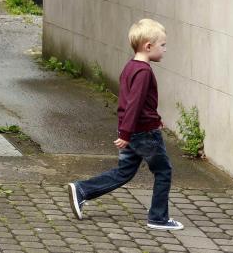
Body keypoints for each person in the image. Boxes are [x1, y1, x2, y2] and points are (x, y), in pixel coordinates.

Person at [66, 18, 183, 230]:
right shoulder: (144, 72)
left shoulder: (131, 67)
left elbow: (133, 102)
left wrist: (151, 120)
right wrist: (128, 133)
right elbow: (134, 104)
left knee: (123, 173)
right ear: (148, 46)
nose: (165, 50)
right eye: (163, 45)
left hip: (134, 131)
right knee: (164, 171)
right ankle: (158, 218)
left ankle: (82, 190)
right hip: (143, 134)